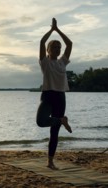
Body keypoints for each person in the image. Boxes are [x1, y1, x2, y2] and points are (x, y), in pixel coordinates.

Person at [36, 18, 73, 170]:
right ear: (48, 50)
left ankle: (50, 162)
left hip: (60, 97)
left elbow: (69, 44)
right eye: (55, 47)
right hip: (47, 96)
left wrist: (58, 30)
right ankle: (61, 120)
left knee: (54, 133)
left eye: (59, 47)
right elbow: (41, 42)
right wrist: (51, 30)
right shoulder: (44, 62)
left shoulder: (62, 62)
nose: (58, 49)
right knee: (41, 121)